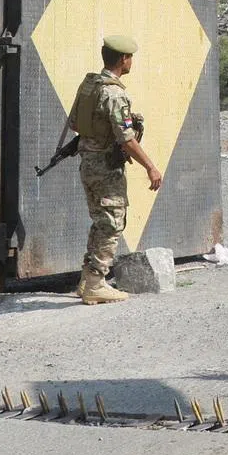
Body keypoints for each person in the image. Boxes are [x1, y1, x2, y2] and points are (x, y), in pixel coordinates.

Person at [69, 35, 163, 304]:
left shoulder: (90, 85)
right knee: (112, 222)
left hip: (88, 162)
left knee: (101, 220)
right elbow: (126, 139)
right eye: (130, 57)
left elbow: (75, 123)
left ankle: (88, 280)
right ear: (124, 59)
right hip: (106, 168)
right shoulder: (115, 93)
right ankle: (96, 283)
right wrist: (151, 168)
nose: (131, 61)